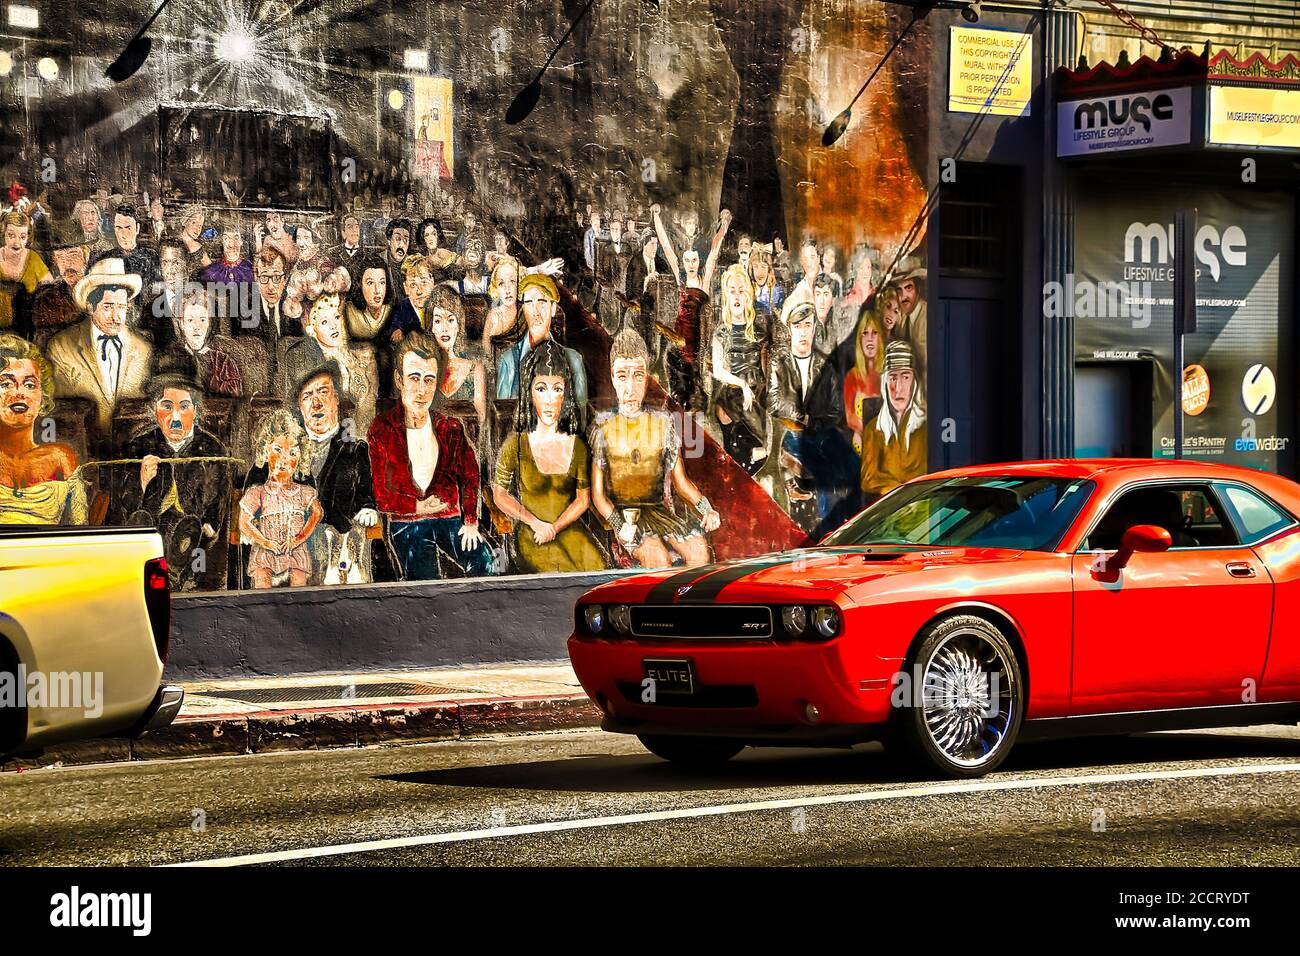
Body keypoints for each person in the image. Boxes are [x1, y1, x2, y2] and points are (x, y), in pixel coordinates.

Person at [367, 331, 494, 579]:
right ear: (399, 379)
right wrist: (417, 506)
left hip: (450, 519)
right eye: (414, 378)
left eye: (429, 380)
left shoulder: (450, 428)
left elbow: (470, 475)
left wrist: (470, 519)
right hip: (408, 522)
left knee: (485, 563)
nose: (422, 390)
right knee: (425, 580)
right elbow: (381, 495)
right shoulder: (382, 430)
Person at [589, 328, 720, 569]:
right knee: (659, 559)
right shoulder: (603, 427)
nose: (630, 387)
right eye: (622, 376)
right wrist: (620, 525)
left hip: (661, 514)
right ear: (612, 377)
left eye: (638, 376)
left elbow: (681, 482)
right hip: (627, 518)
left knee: (700, 552)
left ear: (647, 376)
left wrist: (707, 509)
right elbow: (598, 496)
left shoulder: (663, 422)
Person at [493, 339, 605, 573]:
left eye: (557, 389)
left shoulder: (578, 447)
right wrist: (535, 523)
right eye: (541, 388)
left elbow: (582, 500)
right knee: (557, 577)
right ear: (529, 392)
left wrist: (554, 527)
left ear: (566, 395)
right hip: (531, 535)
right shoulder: (516, 445)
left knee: (598, 567)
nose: (549, 399)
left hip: (568, 531)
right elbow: (499, 495)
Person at [118, 374, 230, 589]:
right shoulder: (139, 446)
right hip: (154, 532)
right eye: (167, 407)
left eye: (184, 407)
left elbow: (220, 497)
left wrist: (211, 525)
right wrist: (142, 481)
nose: (175, 418)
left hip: (193, 534)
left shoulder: (212, 449)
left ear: (195, 412)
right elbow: (127, 505)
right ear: (155, 411)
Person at [277, 364, 380, 585]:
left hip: (340, 551)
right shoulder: (286, 449)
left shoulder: (355, 449)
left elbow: (367, 492)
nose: (316, 403)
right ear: (299, 407)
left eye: (323, 392)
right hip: (295, 552)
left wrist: (368, 507)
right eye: (307, 396)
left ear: (336, 400)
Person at [769, 301, 858, 534]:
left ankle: (831, 531)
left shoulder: (823, 365)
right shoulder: (780, 363)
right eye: (798, 326)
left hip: (819, 437)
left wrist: (815, 423)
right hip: (790, 434)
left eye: (808, 325)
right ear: (790, 329)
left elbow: (835, 410)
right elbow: (774, 401)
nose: (803, 332)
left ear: (814, 329)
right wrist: (804, 417)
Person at [46, 257, 154, 436]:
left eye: (121, 307)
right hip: (83, 445)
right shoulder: (61, 346)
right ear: (90, 307)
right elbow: (59, 410)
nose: (116, 316)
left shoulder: (143, 349)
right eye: (108, 307)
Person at [649, 204, 731, 409]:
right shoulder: (681, 279)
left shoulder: (704, 280)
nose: (691, 263)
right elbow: (667, 247)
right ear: (684, 262)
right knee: (679, 388)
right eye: (687, 260)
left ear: (698, 262)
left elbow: (714, 250)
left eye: (694, 260)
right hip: (679, 339)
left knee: (697, 391)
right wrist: (656, 216)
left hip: (698, 340)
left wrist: (725, 224)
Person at [0, 333, 86, 524]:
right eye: (6, 383)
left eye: (30, 384)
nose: (19, 392)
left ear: (42, 396)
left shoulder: (60, 458)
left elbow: (80, 531)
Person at [239, 408, 323, 589]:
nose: (284, 459)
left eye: (292, 453)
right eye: (277, 450)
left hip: (295, 549)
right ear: (265, 451)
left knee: (299, 586)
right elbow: (243, 522)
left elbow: (317, 513)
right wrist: (264, 541)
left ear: (301, 459)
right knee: (262, 582)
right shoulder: (258, 492)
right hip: (266, 549)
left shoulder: (304, 491)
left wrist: (299, 538)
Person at [279, 292, 377, 437]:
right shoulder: (301, 358)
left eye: (336, 317)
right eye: (324, 322)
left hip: (360, 439)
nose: (333, 326)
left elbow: (368, 407)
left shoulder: (364, 356)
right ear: (312, 328)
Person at [710, 264, 771, 474]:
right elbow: (718, 371)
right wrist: (742, 384)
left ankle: (759, 451)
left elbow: (767, 368)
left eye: (741, 291)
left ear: (748, 295)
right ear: (726, 296)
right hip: (734, 390)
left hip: (758, 393)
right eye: (732, 291)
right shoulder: (721, 332)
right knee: (728, 406)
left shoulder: (759, 330)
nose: (737, 296)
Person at [495, 274, 587, 410]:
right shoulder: (509, 361)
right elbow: (502, 415)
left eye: (542, 302)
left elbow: (580, 413)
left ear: (553, 309)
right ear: (523, 309)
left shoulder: (573, 359)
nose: (535, 312)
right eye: (529, 303)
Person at [860, 338, 927, 499]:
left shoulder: (925, 429)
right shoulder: (873, 429)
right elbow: (868, 478)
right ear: (885, 383)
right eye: (893, 378)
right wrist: (899, 491)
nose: (898, 388)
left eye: (905, 377)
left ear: (914, 382)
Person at [165, 286, 242, 397]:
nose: (197, 326)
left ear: (209, 322)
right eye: (190, 320)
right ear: (182, 324)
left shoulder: (224, 362)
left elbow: (234, 396)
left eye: (202, 319)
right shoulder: (171, 358)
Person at [427, 287, 486, 421]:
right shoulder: (424, 368)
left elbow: (482, 420)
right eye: (437, 321)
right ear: (432, 328)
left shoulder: (475, 369)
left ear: (459, 324)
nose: (444, 328)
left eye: (450, 320)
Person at [30, 221, 87, 346]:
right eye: (61, 257)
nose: (68, 264)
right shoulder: (47, 298)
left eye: (73, 254)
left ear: (85, 255)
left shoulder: (100, 292)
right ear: (55, 261)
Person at [0, 210, 52, 337]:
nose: (17, 243)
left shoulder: (33, 259)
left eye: (22, 237)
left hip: (28, 332)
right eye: (11, 235)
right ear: (4, 234)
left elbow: (50, 290)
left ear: (28, 237)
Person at [844, 303, 885, 455]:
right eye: (865, 333)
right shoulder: (852, 376)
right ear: (859, 339)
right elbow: (850, 418)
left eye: (874, 333)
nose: (869, 339)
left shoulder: (888, 375)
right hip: (862, 446)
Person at [92, 204, 160, 294]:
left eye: (128, 228)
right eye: (119, 228)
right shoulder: (105, 258)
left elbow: (157, 291)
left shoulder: (151, 256)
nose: (123, 235)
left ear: (137, 228)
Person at [343, 255, 394, 342]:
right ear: (360, 285)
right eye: (370, 283)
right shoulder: (348, 312)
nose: (377, 290)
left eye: (382, 282)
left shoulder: (392, 311)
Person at [892, 255, 927, 356]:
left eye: (908, 288)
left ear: (918, 289)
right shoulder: (901, 318)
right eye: (899, 290)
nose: (903, 296)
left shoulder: (927, 317)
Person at [330, 213, 365, 281]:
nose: (354, 230)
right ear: (343, 233)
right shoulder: (332, 253)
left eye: (356, 227)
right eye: (350, 227)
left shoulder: (367, 253)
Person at [383, 218, 412, 292]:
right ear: (389, 241)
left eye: (405, 240)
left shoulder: (413, 265)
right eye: (398, 239)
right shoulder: (378, 262)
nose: (402, 245)